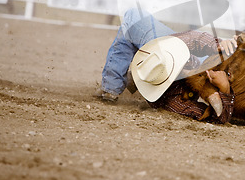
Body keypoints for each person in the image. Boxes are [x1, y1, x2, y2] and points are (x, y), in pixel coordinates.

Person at [99, 8, 237, 123]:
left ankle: (113, 86)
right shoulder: (172, 101)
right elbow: (218, 119)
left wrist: (217, 44)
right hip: (164, 50)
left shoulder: (171, 100)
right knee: (131, 18)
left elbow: (194, 39)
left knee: (132, 17)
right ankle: (115, 84)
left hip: (159, 46)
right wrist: (224, 88)